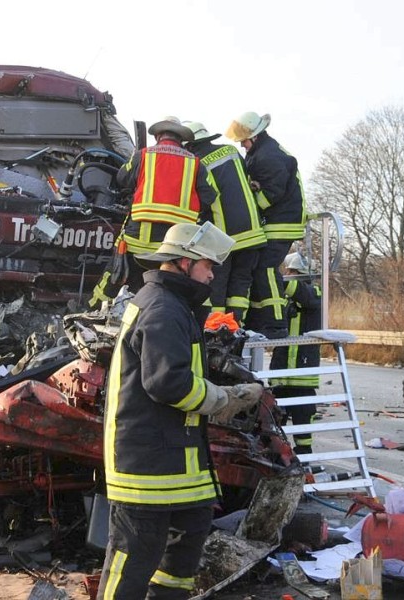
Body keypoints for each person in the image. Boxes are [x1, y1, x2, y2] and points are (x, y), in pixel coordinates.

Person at [97, 222, 265, 600]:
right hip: (148, 471)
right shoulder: (161, 307)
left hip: (174, 467)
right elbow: (167, 382)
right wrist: (224, 399)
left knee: (182, 554)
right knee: (132, 563)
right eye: (208, 264)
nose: (212, 273)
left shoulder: (174, 304)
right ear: (183, 261)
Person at [89, 116, 217, 308]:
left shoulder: (143, 155)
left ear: (158, 136)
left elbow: (122, 178)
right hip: (175, 245)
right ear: (181, 139)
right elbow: (209, 196)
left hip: (138, 238)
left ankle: (94, 310)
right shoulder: (195, 163)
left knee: (115, 274)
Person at [225, 112, 307, 338]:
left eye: (244, 140)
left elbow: (272, 193)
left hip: (281, 223)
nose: (242, 145)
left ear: (256, 136)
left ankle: (276, 323)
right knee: (259, 269)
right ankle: (260, 321)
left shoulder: (267, 157)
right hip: (278, 221)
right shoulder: (265, 152)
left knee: (266, 269)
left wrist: (251, 205)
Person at [182, 121, 267, 326]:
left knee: (216, 286)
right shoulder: (230, 151)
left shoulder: (196, 163)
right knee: (240, 286)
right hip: (253, 233)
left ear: (189, 145)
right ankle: (236, 328)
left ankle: (216, 332)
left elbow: (204, 198)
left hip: (223, 239)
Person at [268, 252, 322, 455]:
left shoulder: (315, 293)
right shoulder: (285, 299)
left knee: (303, 414)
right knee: (273, 416)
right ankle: (277, 454)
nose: (288, 274)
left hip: (302, 373)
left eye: (291, 272)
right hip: (281, 372)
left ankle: (304, 454)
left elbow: (302, 294)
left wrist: (272, 274)